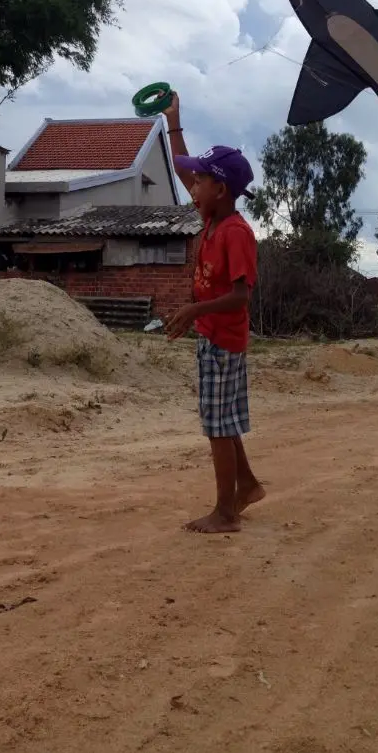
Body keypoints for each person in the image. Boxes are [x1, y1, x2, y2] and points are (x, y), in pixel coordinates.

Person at [162, 93, 266, 534]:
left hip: (223, 341)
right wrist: (174, 122)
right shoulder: (213, 219)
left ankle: (225, 513)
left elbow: (242, 296)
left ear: (220, 190)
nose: (192, 187)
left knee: (218, 428)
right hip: (214, 336)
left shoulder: (235, 233)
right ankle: (248, 486)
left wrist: (193, 309)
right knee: (223, 421)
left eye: (200, 182)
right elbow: (182, 165)